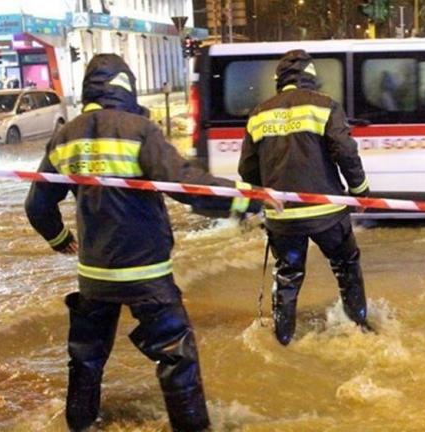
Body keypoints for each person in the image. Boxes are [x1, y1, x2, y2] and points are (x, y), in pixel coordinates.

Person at [24, 54, 276, 432]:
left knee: (86, 356)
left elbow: (37, 205)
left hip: (94, 274)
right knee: (177, 357)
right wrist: (248, 199)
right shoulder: (138, 129)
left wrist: (61, 239)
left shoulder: (65, 137)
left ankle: (80, 423)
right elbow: (188, 186)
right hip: (147, 272)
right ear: (127, 87)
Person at [238, 49, 373, 346]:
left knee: (287, 276)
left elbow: (247, 171)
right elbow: (345, 151)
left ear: (279, 80)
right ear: (311, 77)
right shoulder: (324, 106)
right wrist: (360, 190)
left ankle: (282, 338)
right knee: (346, 265)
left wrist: (266, 196)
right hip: (326, 214)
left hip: (282, 218)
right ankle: (360, 327)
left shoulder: (259, 113)